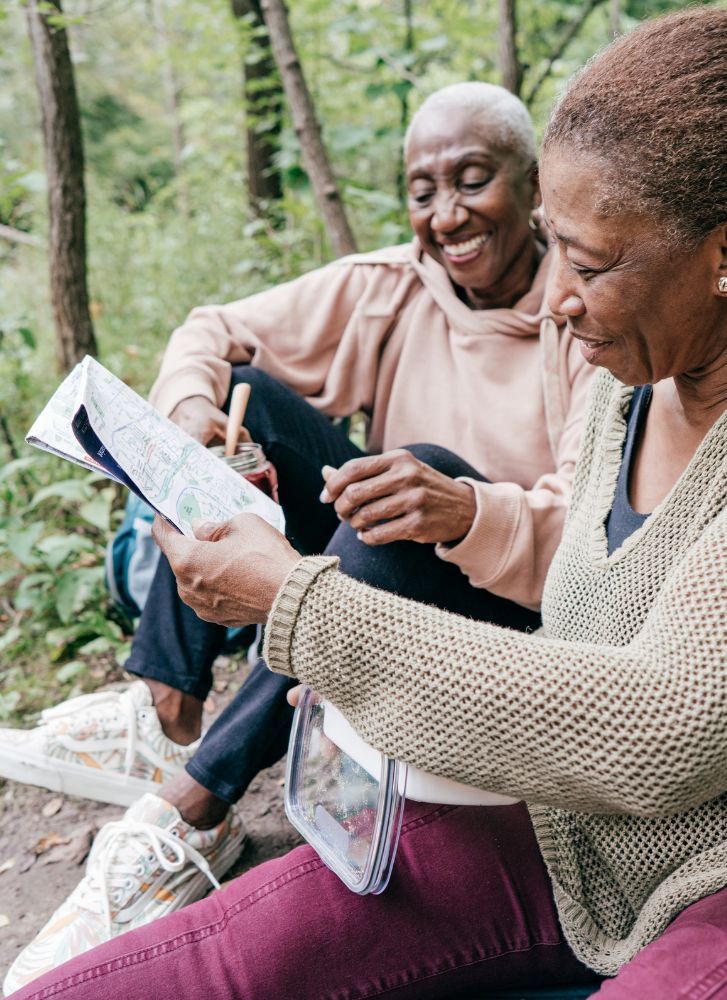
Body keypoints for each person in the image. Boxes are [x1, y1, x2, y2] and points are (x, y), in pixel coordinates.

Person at [9, 7, 727, 999]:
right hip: (594, 846)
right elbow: (580, 641)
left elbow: (663, 730)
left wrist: (303, 610)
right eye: (555, 249)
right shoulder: (628, 379)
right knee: (207, 961)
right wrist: (371, 712)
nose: (558, 297)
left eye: (592, 261)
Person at [0, 82, 595, 995]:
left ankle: (194, 804)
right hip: (377, 554)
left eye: (473, 180)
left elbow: (598, 528)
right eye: (422, 189)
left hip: (507, 600)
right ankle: (168, 706)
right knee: (259, 403)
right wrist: (198, 412)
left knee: (406, 482)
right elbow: (214, 330)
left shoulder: (587, 308)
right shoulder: (393, 286)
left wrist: (463, 508)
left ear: (533, 185)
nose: (447, 213)